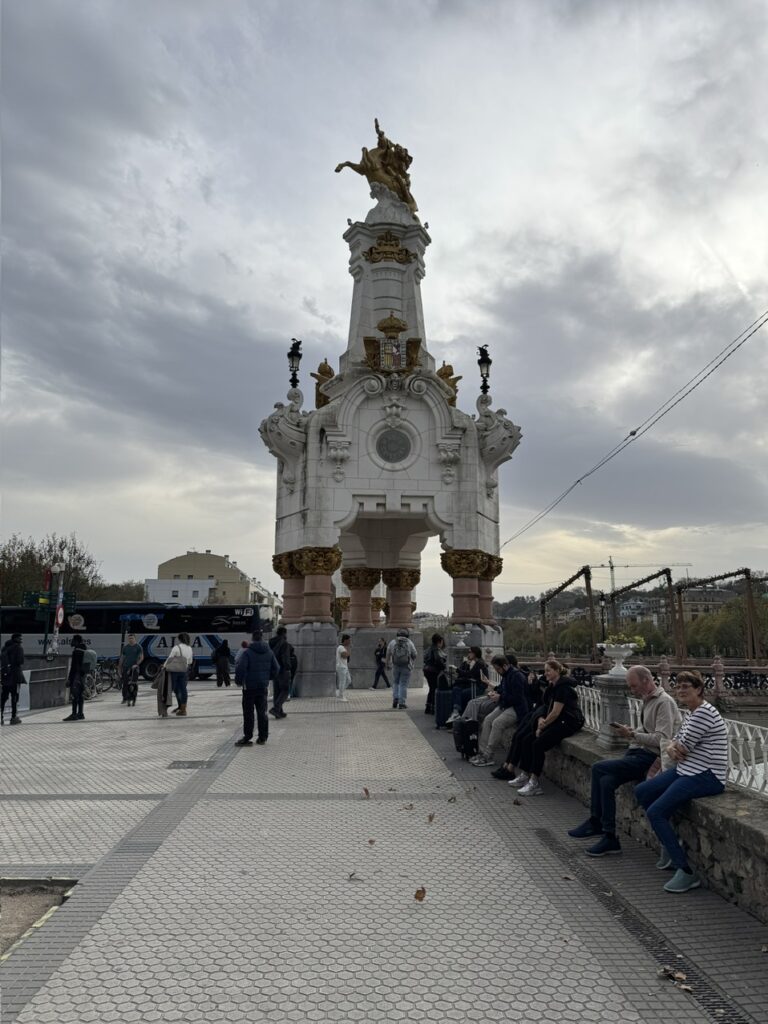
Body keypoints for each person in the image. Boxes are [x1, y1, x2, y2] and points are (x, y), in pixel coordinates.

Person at [567, 665, 682, 856]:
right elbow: (647, 730)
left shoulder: (664, 702)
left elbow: (662, 738)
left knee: (598, 768)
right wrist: (632, 731)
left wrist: (633, 735)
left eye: (633, 686)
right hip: (638, 752)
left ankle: (596, 822)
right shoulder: (648, 699)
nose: (631, 690)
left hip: (651, 757)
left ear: (646, 680)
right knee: (606, 782)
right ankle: (610, 837)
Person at [635, 670, 728, 894]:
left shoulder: (704, 713)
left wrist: (674, 747)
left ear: (699, 689)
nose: (681, 690)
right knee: (642, 791)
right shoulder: (693, 712)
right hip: (688, 769)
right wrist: (671, 747)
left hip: (706, 775)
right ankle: (669, 841)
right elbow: (675, 741)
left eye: (686, 686)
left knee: (656, 812)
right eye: (678, 687)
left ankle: (685, 871)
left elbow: (683, 747)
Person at [508, 659, 584, 796]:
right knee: (526, 740)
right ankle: (525, 774)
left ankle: (534, 782)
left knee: (538, 744)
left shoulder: (563, 688)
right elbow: (546, 707)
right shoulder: (552, 686)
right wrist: (540, 719)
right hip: (557, 720)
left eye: (548, 670)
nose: (546, 673)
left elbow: (555, 712)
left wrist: (542, 726)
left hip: (568, 722)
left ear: (557, 671)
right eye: (545, 671)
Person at [470, 654, 529, 768]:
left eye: (498, 669)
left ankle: (488, 756)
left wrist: (500, 697)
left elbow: (518, 698)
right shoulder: (506, 675)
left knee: (497, 723)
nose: (497, 671)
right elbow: (502, 689)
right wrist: (495, 693)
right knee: (487, 720)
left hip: (517, 708)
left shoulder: (517, 676)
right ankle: (482, 753)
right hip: (505, 705)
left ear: (505, 666)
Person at [234, 630, 280, 746]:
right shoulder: (269, 652)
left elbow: (241, 668)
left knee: (248, 713)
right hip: (262, 687)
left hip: (249, 688)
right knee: (262, 712)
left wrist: (239, 681)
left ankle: (247, 737)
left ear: (253, 639)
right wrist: (267, 678)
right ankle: (262, 737)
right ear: (262, 638)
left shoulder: (247, 652)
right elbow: (276, 668)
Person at [446, 647, 487, 723]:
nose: (468, 654)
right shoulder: (473, 662)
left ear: (475, 653)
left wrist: (457, 669)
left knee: (463, 694)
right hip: (472, 684)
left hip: (478, 687)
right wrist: (466, 665)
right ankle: (455, 712)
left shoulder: (479, 663)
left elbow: (469, 674)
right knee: (456, 689)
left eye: (470, 652)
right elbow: (467, 674)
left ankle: (461, 715)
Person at [386, 629, 417, 710]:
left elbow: (388, 653)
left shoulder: (393, 642)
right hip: (406, 666)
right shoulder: (409, 642)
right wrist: (411, 660)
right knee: (403, 684)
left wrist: (387, 664)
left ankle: (395, 698)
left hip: (395, 665)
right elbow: (415, 654)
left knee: (396, 682)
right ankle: (402, 703)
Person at [164, 632, 193, 716]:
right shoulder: (189, 648)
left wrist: (164, 666)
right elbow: (190, 661)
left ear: (179, 639)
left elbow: (170, 659)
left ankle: (165, 708)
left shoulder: (176, 647)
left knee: (171, 689)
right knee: (182, 689)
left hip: (174, 671)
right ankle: (182, 709)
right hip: (184, 670)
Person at [1, 632, 25, 726]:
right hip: (15, 676)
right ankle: (14, 717)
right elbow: (20, 661)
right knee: (15, 697)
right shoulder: (19, 648)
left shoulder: (5, 648)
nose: (21, 640)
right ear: (16, 638)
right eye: (20, 638)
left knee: (3, 697)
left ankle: (1, 717)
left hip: (6, 677)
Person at [269, 627, 291, 717]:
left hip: (274, 670)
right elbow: (285, 657)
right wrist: (288, 667)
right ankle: (276, 708)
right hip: (282, 670)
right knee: (285, 690)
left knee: (277, 692)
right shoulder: (284, 643)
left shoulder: (271, 642)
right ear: (284, 633)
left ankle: (279, 712)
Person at [64, 634, 87, 722]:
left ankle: (74, 714)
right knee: (80, 695)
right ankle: (80, 713)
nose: (71, 642)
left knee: (74, 695)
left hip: (76, 675)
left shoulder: (76, 651)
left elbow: (74, 667)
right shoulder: (84, 649)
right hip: (83, 675)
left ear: (76, 641)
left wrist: (70, 679)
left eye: (73, 640)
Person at [422, 633, 446, 714]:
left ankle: (428, 707)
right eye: (442, 642)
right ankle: (433, 707)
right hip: (433, 671)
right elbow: (438, 660)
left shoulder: (429, 648)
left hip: (427, 670)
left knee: (431, 688)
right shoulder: (435, 649)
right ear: (439, 641)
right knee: (434, 688)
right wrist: (443, 667)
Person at [119, 634, 144, 705]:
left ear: (135, 639)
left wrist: (136, 664)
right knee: (125, 683)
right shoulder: (125, 647)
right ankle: (124, 698)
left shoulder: (138, 647)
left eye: (132, 638)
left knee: (134, 683)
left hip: (134, 668)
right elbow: (122, 657)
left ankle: (133, 697)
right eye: (129, 638)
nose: (130, 639)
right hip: (126, 667)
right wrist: (119, 666)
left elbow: (141, 657)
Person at [336, 634, 352, 702]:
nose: (350, 642)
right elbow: (345, 656)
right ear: (345, 640)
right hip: (341, 667)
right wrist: (348, 650)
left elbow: (347, 655)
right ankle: (341, 697)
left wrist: (347, 651)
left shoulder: (344, 647)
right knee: (342, 682)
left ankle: (340, 692)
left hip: (345, 667)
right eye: (349, 640)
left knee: (348, 680)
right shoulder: (341, 647)